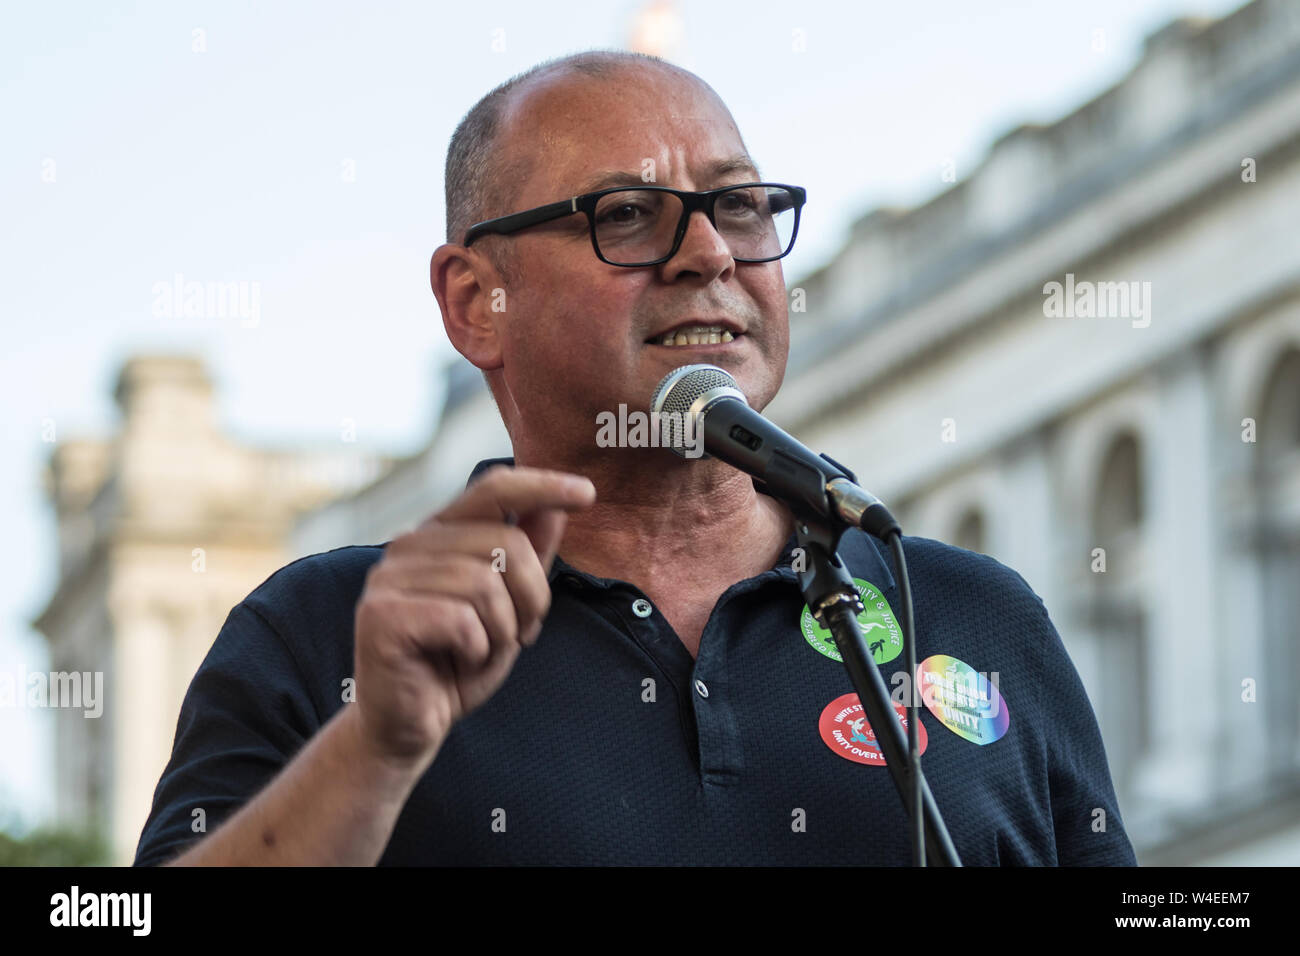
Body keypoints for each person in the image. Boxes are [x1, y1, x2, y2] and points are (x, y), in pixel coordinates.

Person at [134, 50, 1137, 866]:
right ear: (476, 299)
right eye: (627, 214)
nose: (709, 254)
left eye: (740, 208)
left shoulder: (971, 612)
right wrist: (376, 748)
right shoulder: (328, 634)